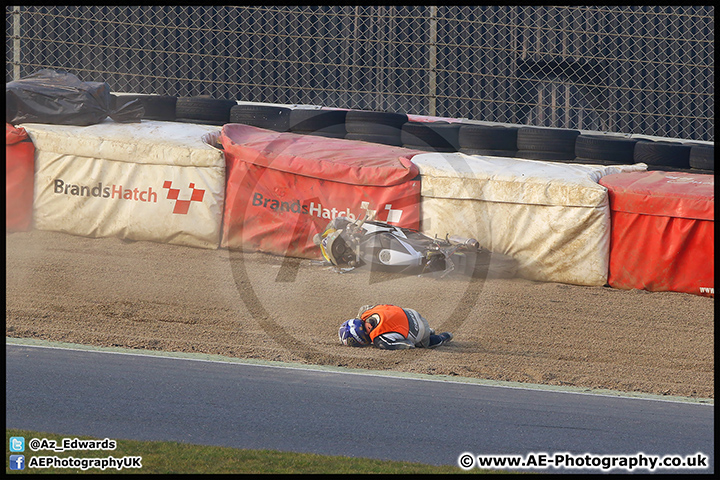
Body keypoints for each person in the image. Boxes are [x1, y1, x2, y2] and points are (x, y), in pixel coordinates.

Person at [338, 304, 453, 350]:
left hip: (420, 329)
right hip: (411, 312)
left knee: (422, 344)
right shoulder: (366, 312)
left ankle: (443, 337)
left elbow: (408, 344)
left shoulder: (379, 338)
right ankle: (430, 331)